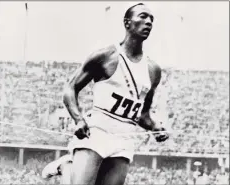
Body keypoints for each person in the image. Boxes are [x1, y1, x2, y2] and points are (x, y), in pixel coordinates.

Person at [42, 3, 169, 185]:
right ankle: (67, 167)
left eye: (151, 19)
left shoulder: (153, 70)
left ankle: (70, 166)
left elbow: (143, 114)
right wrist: (78, 119)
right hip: (97, 132)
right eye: (142, 16)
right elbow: (70, 89)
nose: (148, 22)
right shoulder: (106, 56)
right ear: (127, 23)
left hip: (124, 138)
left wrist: (156, 127)